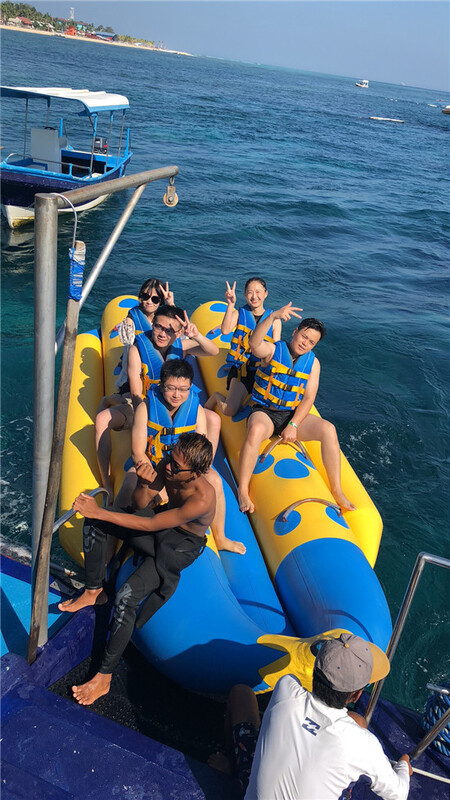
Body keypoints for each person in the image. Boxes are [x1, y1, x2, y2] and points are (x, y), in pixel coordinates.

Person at [58, 432, 216, 706]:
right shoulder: (169, 465)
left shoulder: (202, 498)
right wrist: (144, 483)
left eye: (176, 466)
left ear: (195, 473)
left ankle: (104, 676)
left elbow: (151, 524)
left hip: (178, 546)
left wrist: (100, 511)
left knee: (126, 597)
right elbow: (141, 505)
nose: (168, 466)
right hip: (161, 523)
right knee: (95, 524)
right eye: (170, 456)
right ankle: (94, 591)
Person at [211, 633, 412, 800]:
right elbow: (399, 794)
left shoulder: (285, 688)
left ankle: (235, 767)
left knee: (241, 693)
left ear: (315, 669)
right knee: (359, 721)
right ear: (356, 695)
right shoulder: (362, 744)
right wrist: (403, 765)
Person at [96, 302, 220, 502]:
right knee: (102, 419)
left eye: (169, 330)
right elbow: (136, 391)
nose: (162, 333)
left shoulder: (181, 346)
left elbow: (213, 351)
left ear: (178, 333)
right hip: (143, 404)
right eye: (158, 327)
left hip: (174, 402)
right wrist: (147, 420)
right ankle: (106, 481)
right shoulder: (138, 349)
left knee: (213, 419)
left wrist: (196, 335)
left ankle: (203, 468)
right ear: (152, 324)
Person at [237, 302, 355, 513]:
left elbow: (308, 398)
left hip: (290, 415)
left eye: (311, 342)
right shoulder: (273, 350)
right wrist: (272, 317)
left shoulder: (313, 364)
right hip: (264, 412)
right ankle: (243, 489)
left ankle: (336, 489)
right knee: (255, 430)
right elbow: (254, 344)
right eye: (304, 337)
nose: (305, 343)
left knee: (329, 429)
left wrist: (293, 424)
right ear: (295, 332)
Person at [131, 358, 246, 554]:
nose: (177, 395)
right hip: (154, 466)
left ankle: (220, 537)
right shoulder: (146, 407)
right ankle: (112, 543)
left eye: (183, 389)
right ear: (161, 384)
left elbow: (200, 450)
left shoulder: (196, 409)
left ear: (190, 387)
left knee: (215, 480)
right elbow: (137, 452)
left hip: (184, 469)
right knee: (128, 485)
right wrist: (154, 479)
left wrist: (185, 477)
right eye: (171, 388)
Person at [95, 278, 174, 502]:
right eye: (145, 296)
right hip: (137, 397)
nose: (148, 301)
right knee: (102, 418)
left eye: (155, 299)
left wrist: (170, 306)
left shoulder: (170, 329)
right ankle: (107, 482)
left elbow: (193, 344)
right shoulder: (132, 321)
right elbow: (128, 340)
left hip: (166, 399)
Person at [205, 278, 281, 417]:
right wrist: (230, 304)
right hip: (242, 371)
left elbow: (276, 350)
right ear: (245, 295)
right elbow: (225, 330)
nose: (254, 296)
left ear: (266, 293)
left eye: (258, 292)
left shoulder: (275, 320)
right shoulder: (240, 313)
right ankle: (216, 397)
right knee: (229, 411)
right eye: (250, 292)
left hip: (263, 372)